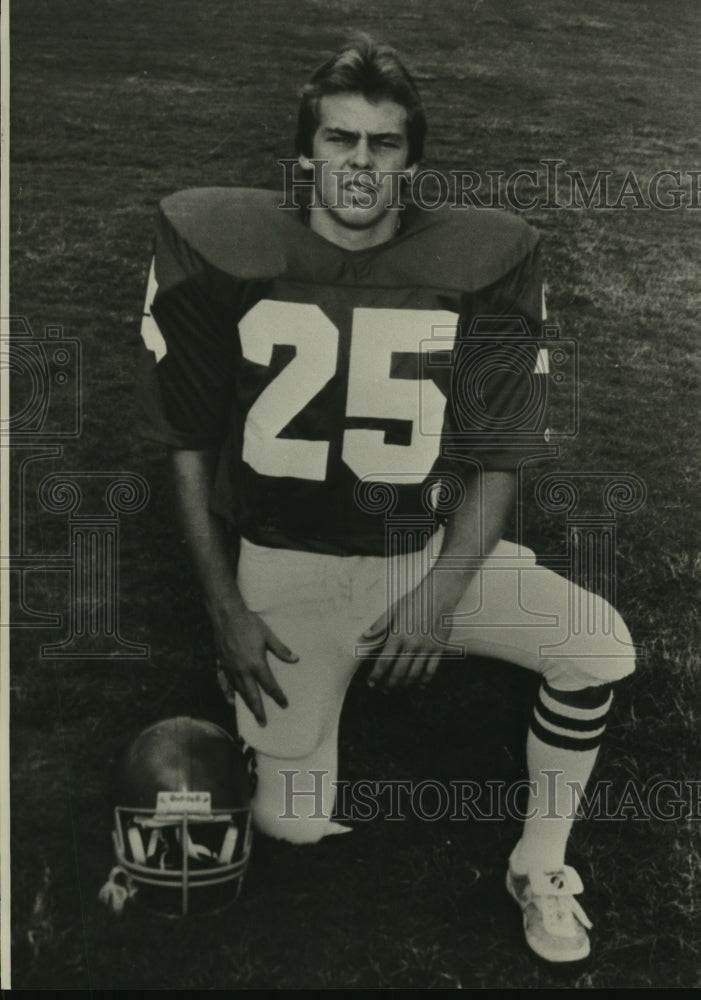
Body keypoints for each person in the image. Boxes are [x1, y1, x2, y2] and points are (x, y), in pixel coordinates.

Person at [137, 36, 636, 965]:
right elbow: (191, 446)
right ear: (305, 152)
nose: (359, 163)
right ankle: (292, 719)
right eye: (339, 139)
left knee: (598, 645)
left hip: (423, 546)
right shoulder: (219, 240)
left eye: (385, 144)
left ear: (413, 161)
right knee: (288, 828)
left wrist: (438, 597)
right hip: (286, 563)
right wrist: (224, 610)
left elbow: (499, 458)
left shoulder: (485, 256)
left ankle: (539, 860)